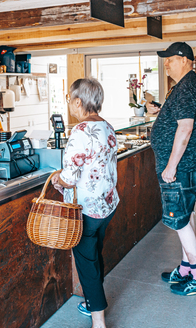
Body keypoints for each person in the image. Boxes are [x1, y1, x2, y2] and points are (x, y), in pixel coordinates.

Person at [51, 78, 118, 328]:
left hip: (86, 209)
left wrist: (58, 178)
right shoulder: (107, 126)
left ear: (78, 102)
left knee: (86, 262)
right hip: (107, 205)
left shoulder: (80, 131)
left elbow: (69, 177)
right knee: (94, 254)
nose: (69, 104)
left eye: (70, 99)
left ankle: (98, 321)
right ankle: (92, 303)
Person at [145, 42, 196, 296]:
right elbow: (179, 120)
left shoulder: (186, 87)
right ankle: (185, 269)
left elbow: (185, 129)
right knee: (186, 217)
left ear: (184, 60)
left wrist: (171, 166)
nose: (166, 64)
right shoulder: (186, 86)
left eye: (170, 59)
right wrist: (162, 112)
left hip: (181, 167)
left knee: (179, 221)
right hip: (189, 164)